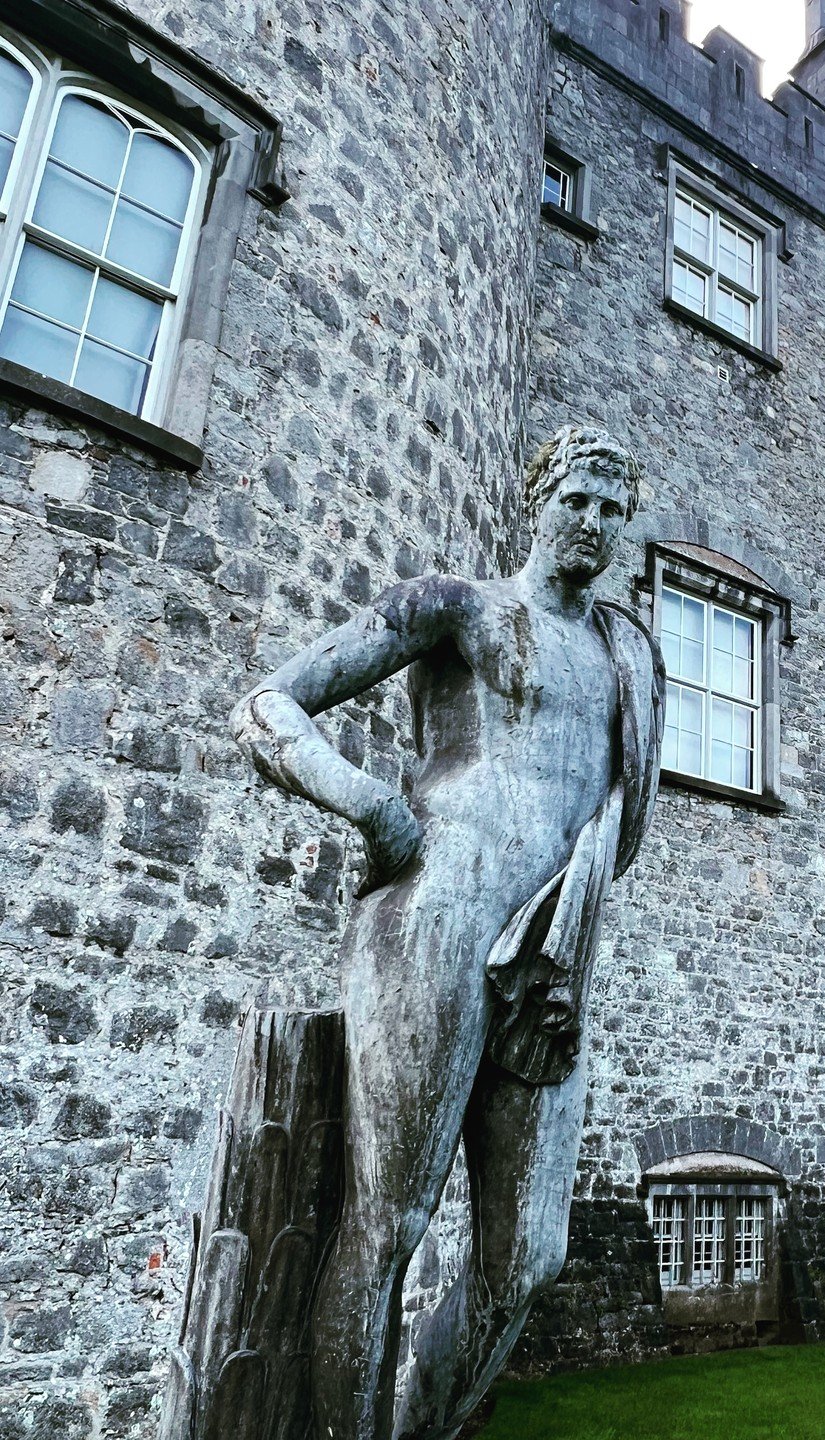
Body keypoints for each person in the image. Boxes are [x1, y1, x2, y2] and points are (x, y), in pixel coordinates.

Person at [231, 426, 663, 1440]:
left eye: (612, 510)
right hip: (438, 909)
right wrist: (366, 801)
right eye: (577, 500)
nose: (593, 524)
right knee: (391, 1222)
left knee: (528, 1261)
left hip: (552, 948)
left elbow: (623, 812)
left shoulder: (629, 651)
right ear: (537, 501)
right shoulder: (458, 606)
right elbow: (270, 702)